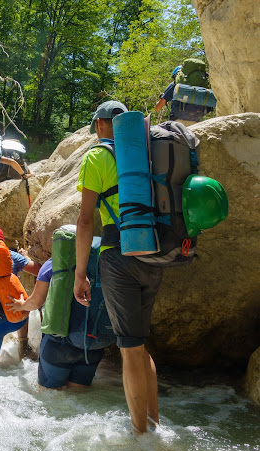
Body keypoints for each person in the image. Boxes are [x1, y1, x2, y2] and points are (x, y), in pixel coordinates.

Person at [74, 100, 163, 434]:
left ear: (99, 125)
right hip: (154, 251)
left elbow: (85, 220)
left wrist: (80, 273)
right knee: (140, 344)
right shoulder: (145, 153)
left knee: (129, 349)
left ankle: (141, 438)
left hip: (118, 254)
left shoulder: (98, 156)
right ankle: (153, 425)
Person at [7, 257, 107, 389]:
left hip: (60, 345)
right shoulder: (104, 258)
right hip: (94, 345)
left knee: (50, 399)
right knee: (79, 399)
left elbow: (35, 302)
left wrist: (21, 305)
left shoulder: (55, 262)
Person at [0, 225, 41, 363]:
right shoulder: (10, 255)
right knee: (19, 294)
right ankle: (23, 345)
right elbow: (39, 271)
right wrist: (25, 257)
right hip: (17, 317)